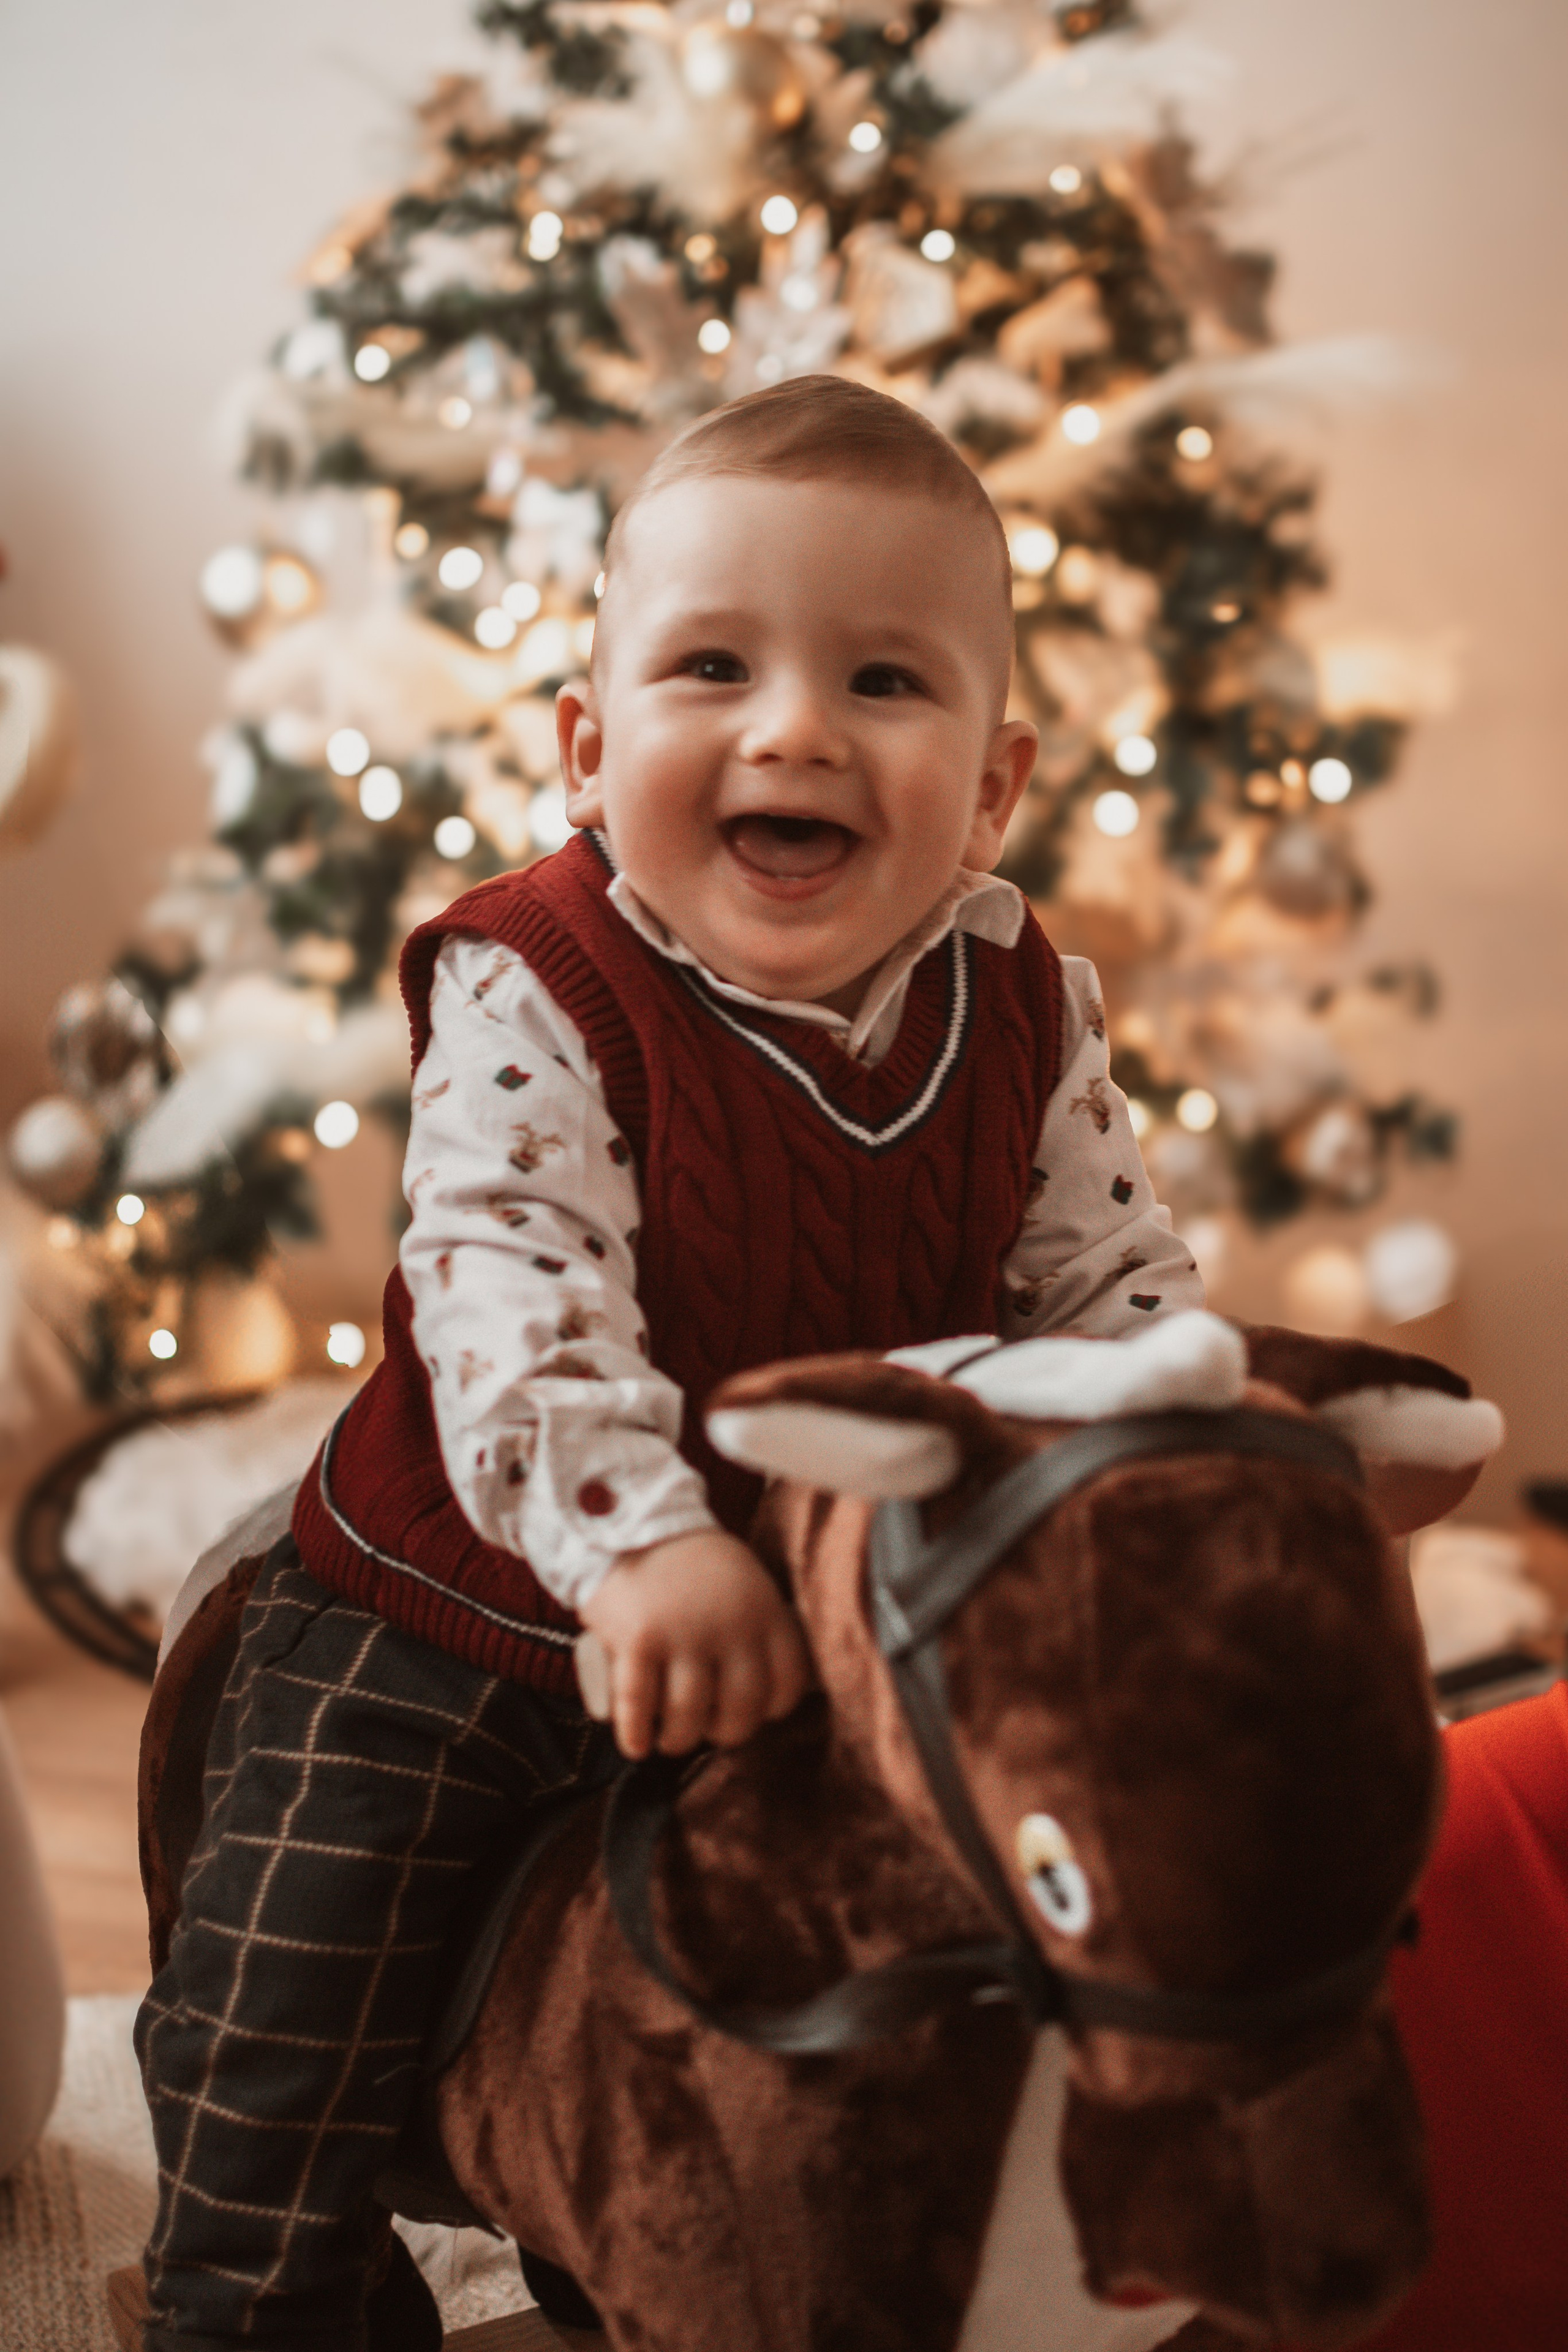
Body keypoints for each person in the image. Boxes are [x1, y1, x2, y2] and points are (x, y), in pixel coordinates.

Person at [134, 375, 1202, 2350]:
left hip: (799, 1628)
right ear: (588, 743)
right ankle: (261, 2297)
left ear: (991, 789)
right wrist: (632, 1539)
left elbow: (1112, 1296)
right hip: (445, 1620)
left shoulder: (1026, 1005)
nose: (792, 727)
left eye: (885, 680)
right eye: (712, 666)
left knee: (806, 2046)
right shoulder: (535, 978)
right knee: (272, 2039)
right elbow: (511, 1282)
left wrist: (1209, 1463)